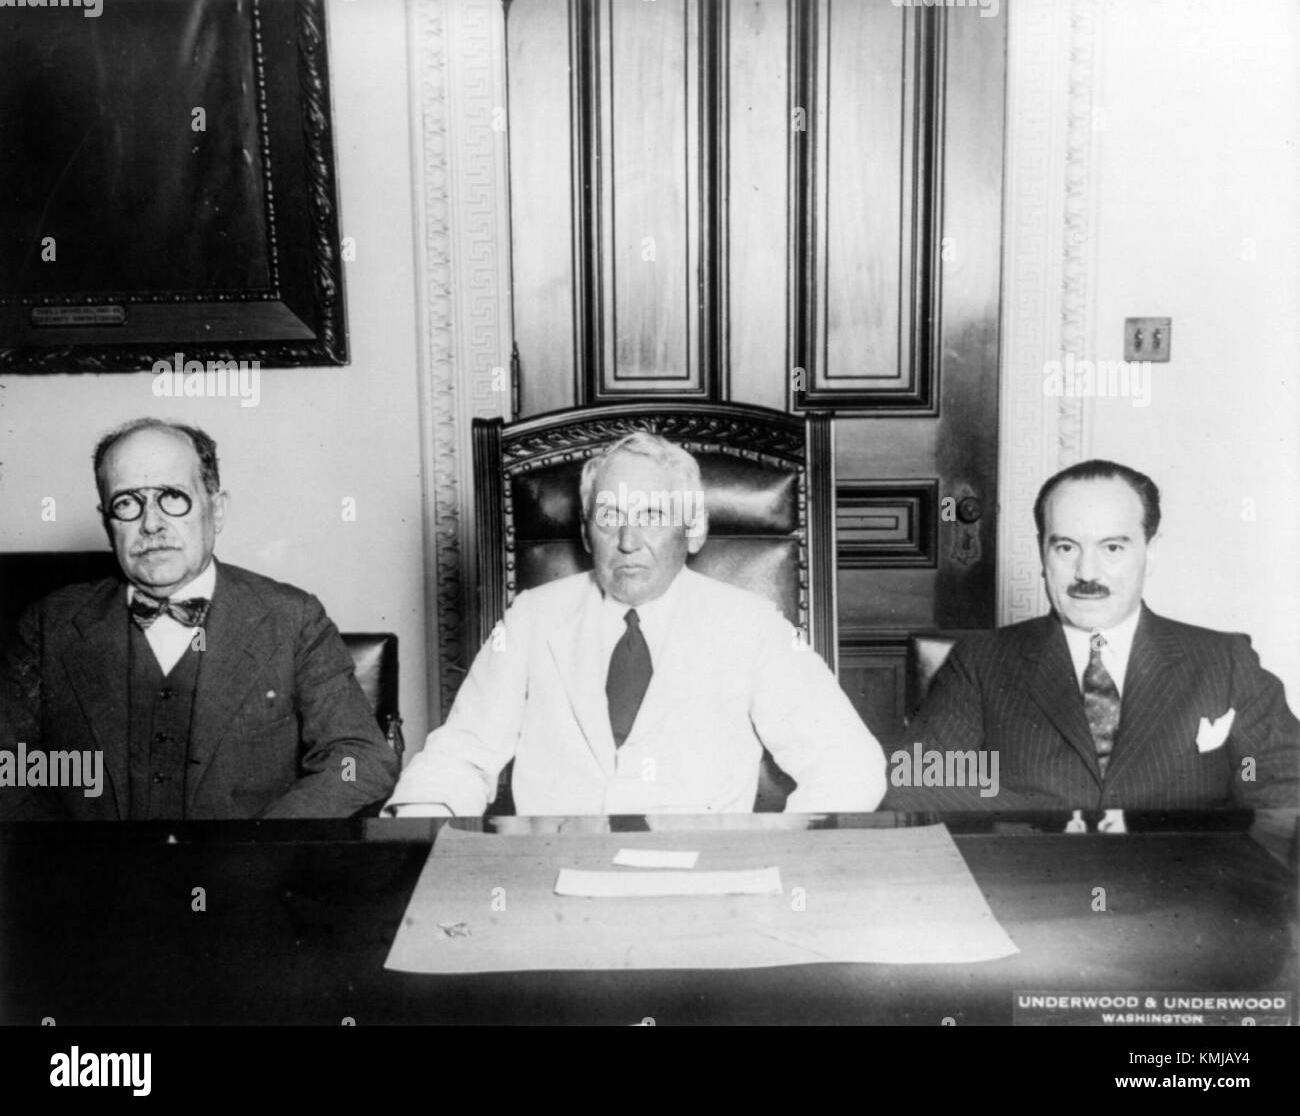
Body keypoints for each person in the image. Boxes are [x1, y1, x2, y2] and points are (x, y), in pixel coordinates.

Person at [386, 432, 886, 816]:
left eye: (651, 513)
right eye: (609, 517)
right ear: (585, 532)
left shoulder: (752, 627)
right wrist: (419, 833)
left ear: (694, 530)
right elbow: (461, 755)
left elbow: (847, 762)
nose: (628, 540)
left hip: (701, 885)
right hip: (554, 877)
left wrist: (774, 854)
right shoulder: (529, 620)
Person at [0, 418, 398, 820]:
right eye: (126, 503)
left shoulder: (293, 619)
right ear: (107, 524)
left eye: (173, 497)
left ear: (217, 509)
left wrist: (261, 846)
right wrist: (68, 866)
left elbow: (359, 759)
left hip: (246, 874)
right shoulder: (50, 625)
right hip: (96, 877)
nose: (151, 523)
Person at [889, 460, 1299, 810]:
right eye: (1066, 547)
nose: (1087, 573)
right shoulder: (980, 662)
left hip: (1182, 885)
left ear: (1150, 551)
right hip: (1034, 884)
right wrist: (1062, 824)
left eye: (1112, 548)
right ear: (1042, 553)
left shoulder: (1224, 661)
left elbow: (1286, 784)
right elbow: (917, 783)